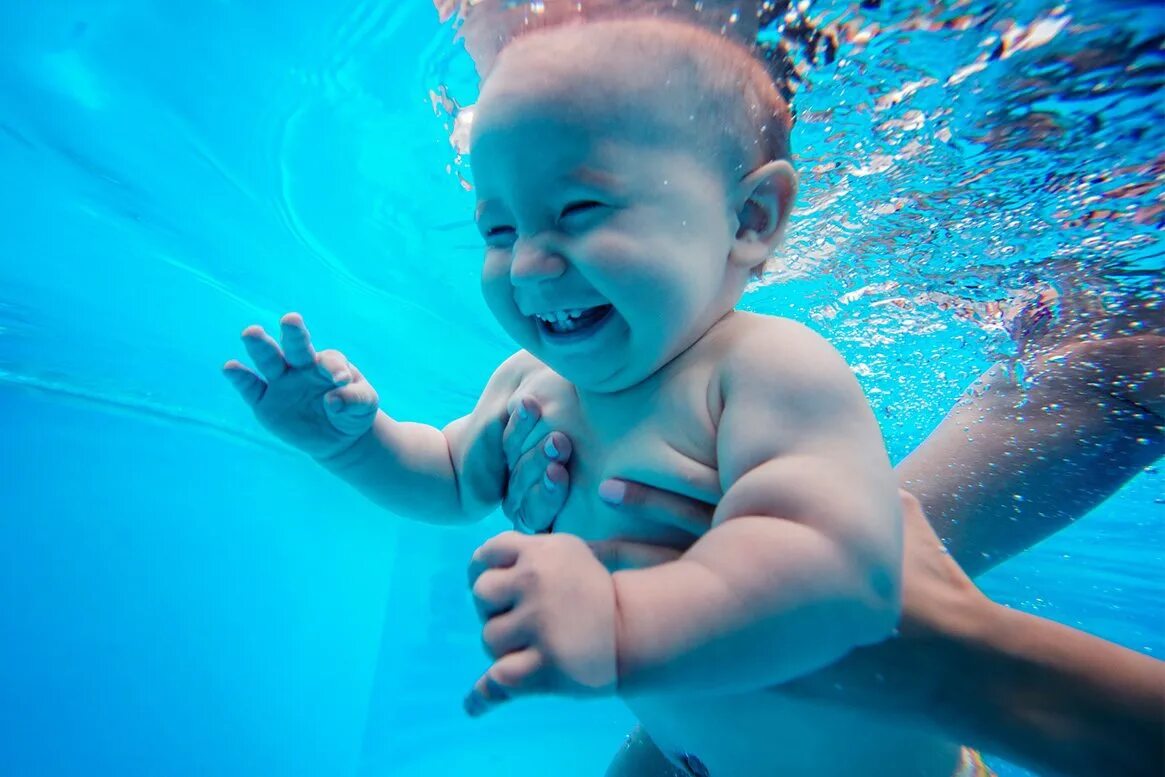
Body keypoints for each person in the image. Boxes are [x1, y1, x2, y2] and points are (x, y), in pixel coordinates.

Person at [223, 16, 926, 777]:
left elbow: (844, 575)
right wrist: (356, 444)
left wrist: (623, 621)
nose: (527, 263)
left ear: (749, 218)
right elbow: (454, 477)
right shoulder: (528, 384)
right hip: (684, 752)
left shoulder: (763, 369)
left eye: (580, 211)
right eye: (496, 230)